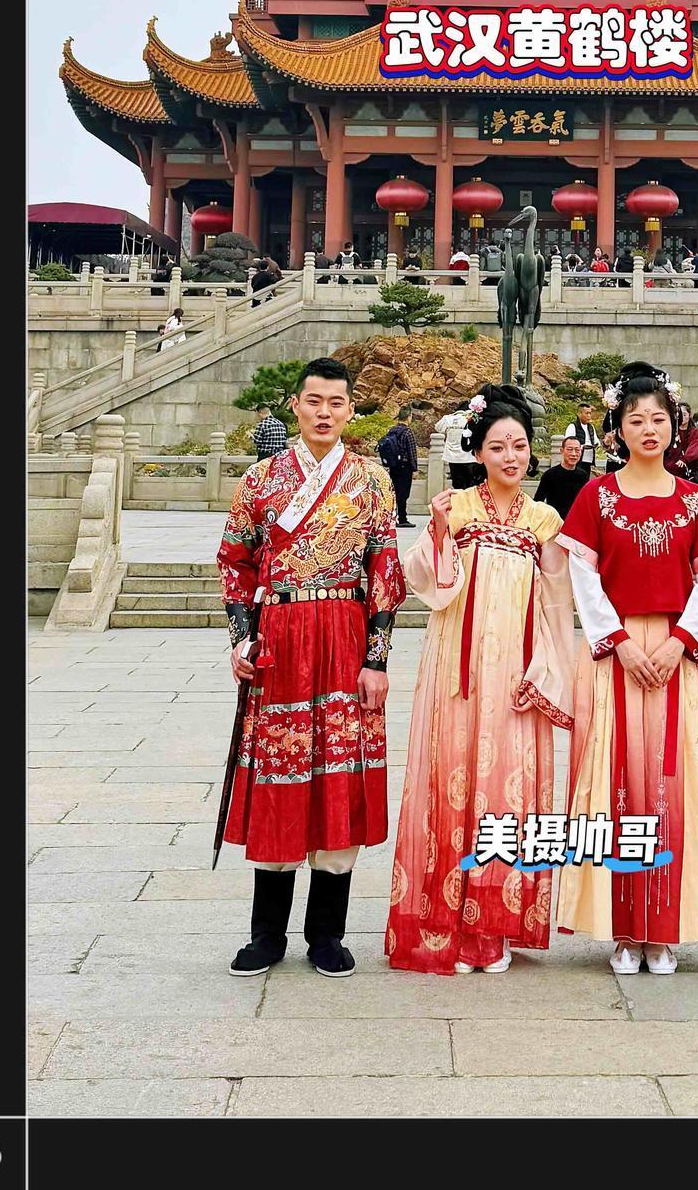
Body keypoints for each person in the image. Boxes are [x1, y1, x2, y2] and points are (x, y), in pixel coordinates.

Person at [216, 357, 406, 978]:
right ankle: (266, 934)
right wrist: (242, 638)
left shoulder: (371, 481)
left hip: (345, 637)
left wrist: (376, 659)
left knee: (338, 776)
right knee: (281, 771)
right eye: (314, 401)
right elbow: (235, 561)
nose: (325, 413)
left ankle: (327, 934)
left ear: (351, 410)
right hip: (281, 638)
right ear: (295, 405)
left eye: (337, 403)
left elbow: (385, 572)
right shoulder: (261, 479)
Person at [386, 385, 575, 974]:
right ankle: (446, 917)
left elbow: (556, 602)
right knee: (454, 780)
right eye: (497, 447)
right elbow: (425, 578)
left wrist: (550, 669)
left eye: (519, 445)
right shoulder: (458, 506)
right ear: (478, 452)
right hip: (458, 669)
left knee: (508, 792)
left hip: (517, 670)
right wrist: (439, 530)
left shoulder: (545, 520)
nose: (510, 457)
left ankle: (495, 923)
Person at [556, 363, 698, 974]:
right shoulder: (596, 497)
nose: (649, 429)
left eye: (659, 419)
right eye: (636, 420)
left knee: (673, 783)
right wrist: (618, 642)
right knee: (616, 783)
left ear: (675, 425)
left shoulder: (693, 500)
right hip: (615, 652)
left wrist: (680, 640)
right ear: (619, 429)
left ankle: (666, 925)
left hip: (676, 652)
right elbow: (582, 574)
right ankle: (623, 928)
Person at [534, 429, 589, 520]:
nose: (574, 454)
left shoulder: (583, 476)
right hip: (555, 522)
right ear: (562, 451)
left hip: (576, 522)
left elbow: (586, 502)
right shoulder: (550, 475)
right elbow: (538, 502)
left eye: (577, 450)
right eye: (570, 450)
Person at [377, 408, 419, 528]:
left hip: (393, 465)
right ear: (408, 417)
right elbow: (412, 452)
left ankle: (392, 517)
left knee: (394, 492)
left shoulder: (392, 430)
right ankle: (402, 518)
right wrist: (414, 468)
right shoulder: (407, 432)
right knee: (403, 493)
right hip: (405, 467)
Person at [563, 403, 601, 480]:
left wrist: (596, 444)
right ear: (579, 414)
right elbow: (568, 442)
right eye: (587, 413)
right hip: (577, 457)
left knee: (586, 478)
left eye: (590, 413)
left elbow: (596, 440)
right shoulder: (573, 426)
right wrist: (581, 446)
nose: (589, 416)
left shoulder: (591, 427)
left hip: (589, 457)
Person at [667, 400, 698, 483]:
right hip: (672, 466)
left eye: (684, 414)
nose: (682, 417)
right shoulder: (671, 431)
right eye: (679, 415)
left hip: (689, 466)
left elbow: (694, 448)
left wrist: (684, 459)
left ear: (689, 415)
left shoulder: (694, 431)